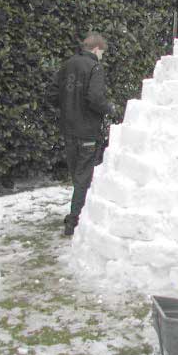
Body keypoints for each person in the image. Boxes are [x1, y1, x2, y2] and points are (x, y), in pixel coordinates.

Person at [48, 32, 114, 236]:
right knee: (83, 176)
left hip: (68, 129)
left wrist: (68, 107)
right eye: (102, 52)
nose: (102, 56)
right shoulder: (95, 67)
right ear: (96, 49)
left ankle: (75, 213)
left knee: (76, 174)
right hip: (87, 130)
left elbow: (51, 94)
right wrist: (110, 108)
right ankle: (74, 220)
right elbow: (94, 98)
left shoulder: (68, 64)